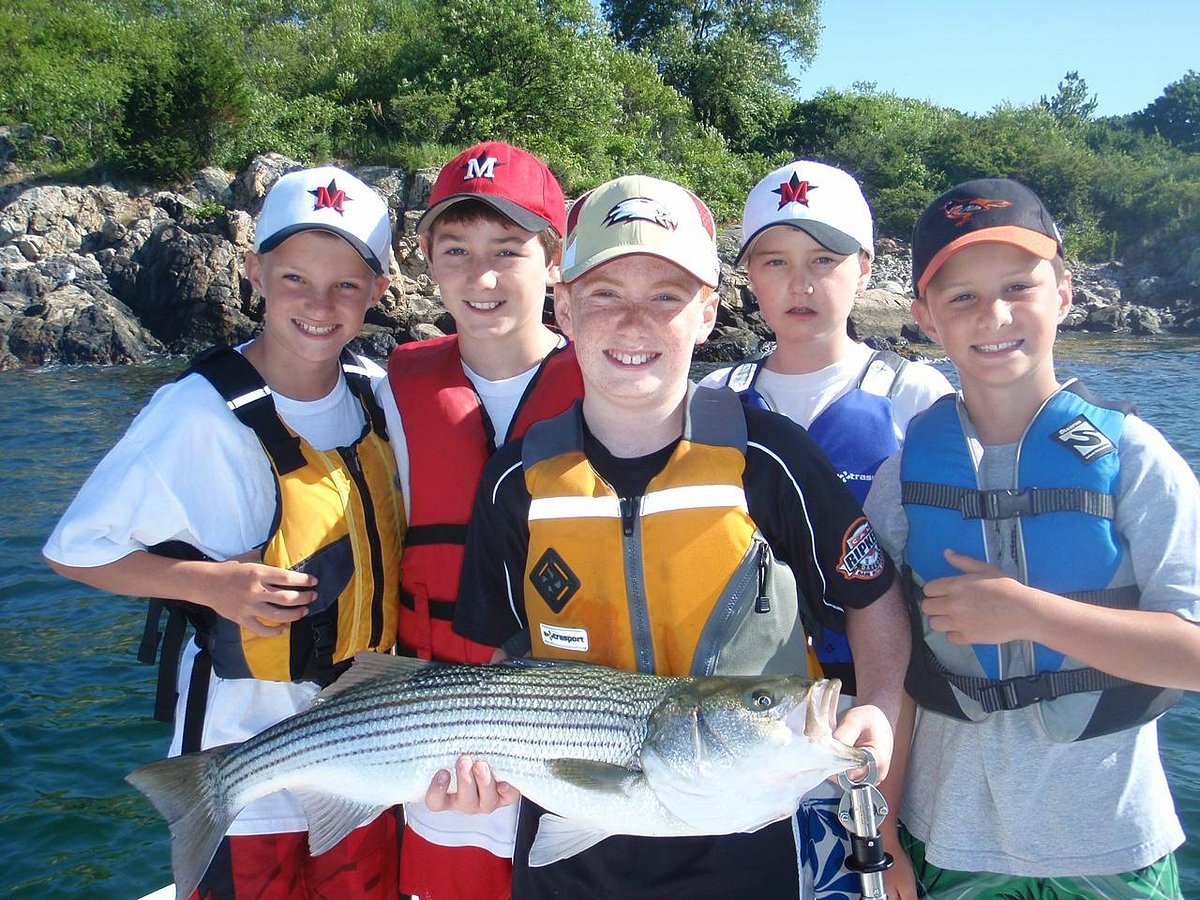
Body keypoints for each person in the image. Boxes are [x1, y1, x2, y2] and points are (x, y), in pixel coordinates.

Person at [452, 174, 910, 899]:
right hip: (572, 852)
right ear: (564, 307)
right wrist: (478, 769)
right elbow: (502, 656)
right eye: (604, 294)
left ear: (707, 314)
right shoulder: (518, 479)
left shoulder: (771, 457)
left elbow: (873, 596)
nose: (634, 324)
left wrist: (879, 710)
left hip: (755, 844)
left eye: (666, 296)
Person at [42, 166, 404, 898]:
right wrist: (210, 584)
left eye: (345, 285)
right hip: (242, 759)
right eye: (295, 278)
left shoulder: (379, 393)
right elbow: (76, 551)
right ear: (253, 273)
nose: (318, 304)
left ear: (379, 291)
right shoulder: (195, 414)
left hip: (368, 755)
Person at [864, 177, 1200, 898]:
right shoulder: (902, 478)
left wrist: (1027, 614)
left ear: (1065, 294)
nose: (996, 314)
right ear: (924, 317)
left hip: (1111, 841)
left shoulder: (1137, 460)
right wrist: (884, 829)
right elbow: (892, 672)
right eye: (962, 297)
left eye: (1019, 285)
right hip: (948, 840)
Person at [700, 159, 950, 897]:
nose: (800, 284)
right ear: (747, 275)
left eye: (824, 261)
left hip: (876, 715)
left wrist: (888, 810)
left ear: (866, 268)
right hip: (744, 723)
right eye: (774, 262)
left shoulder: (916, 399)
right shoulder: (713, 399)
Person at [378, 140, 583, 899]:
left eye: (509, 249)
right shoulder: (388, 395)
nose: (482, 275)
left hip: (577, 739)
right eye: (456, 249)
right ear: (426, 257)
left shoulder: (611, 391)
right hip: (436, 742)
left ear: (555, 259)